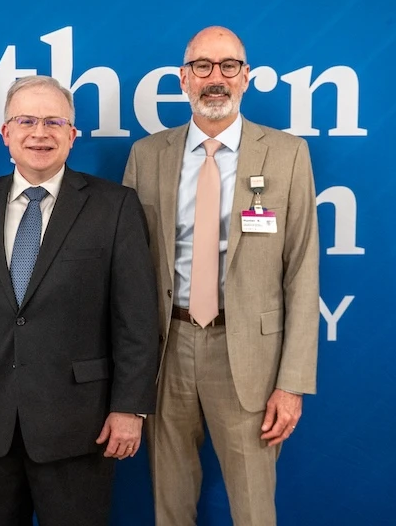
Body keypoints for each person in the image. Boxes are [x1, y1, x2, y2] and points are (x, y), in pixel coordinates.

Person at [0, 75, 158, 526]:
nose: (40, 132)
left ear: (73, 135)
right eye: (27, 120)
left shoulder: (115, 206)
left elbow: (136, 318)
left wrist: (129, 407)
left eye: (54, 121)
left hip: (81, 427)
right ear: (6, 133)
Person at [123, 26, 320, 526]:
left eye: (229, 66)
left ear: (246, 77)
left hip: (249, 356)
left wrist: (292, 382)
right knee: (170, 502)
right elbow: (125, 272)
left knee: (255, 508)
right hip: (167, 348)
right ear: (184, 80)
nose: (217, 78)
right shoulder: (148, 156)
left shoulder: (286, 153)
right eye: (203, 67)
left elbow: (302, 270)